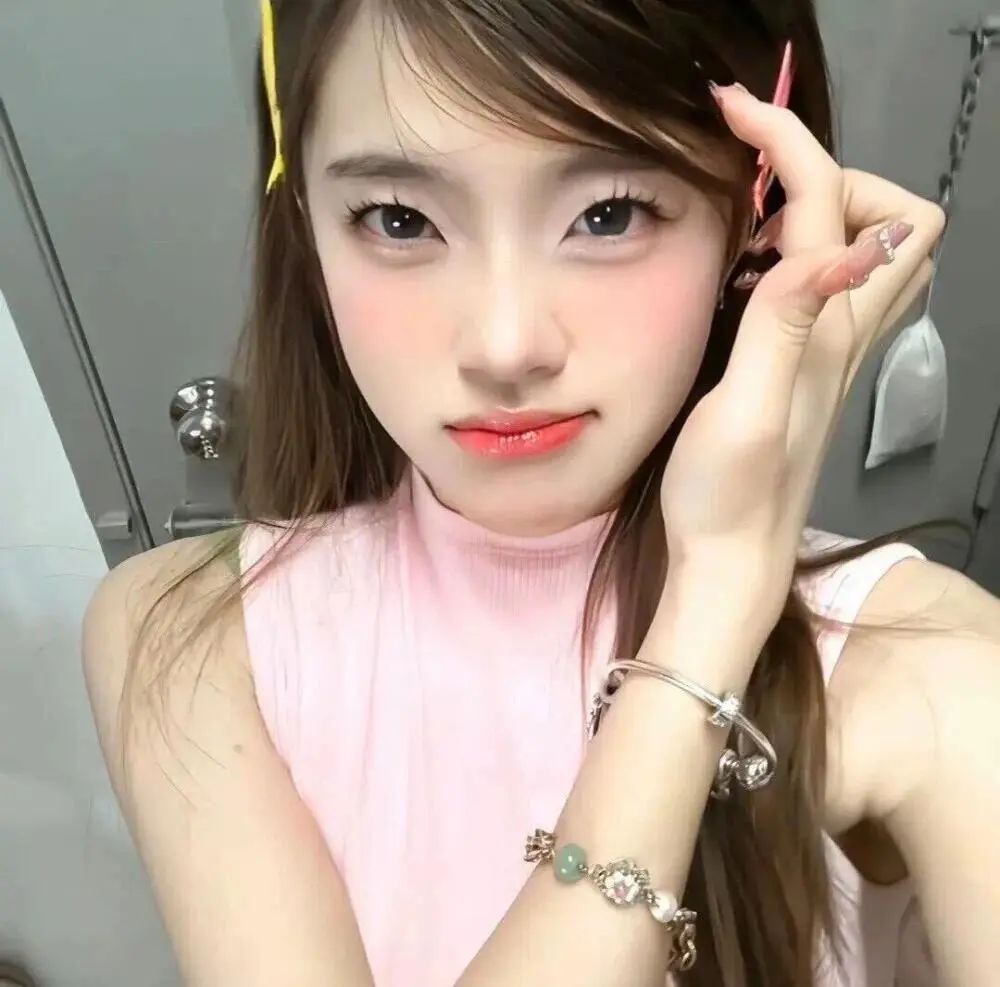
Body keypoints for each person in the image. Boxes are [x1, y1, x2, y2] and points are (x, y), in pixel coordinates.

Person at [80, 1, 1000, 984]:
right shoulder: (190, 638)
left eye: (609, 214)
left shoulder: (934, 671)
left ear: (755, 203)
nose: (505, 343)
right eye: (399, 218)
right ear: (304, 218)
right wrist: (714, 599)